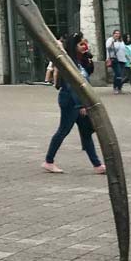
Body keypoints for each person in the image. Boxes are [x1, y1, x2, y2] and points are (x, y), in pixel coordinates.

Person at [42, 32, 106, 175]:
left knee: (86, 132)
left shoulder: (80, 61)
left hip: (80, 102)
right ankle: (48, 161)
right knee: (63, 130)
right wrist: (80, 105)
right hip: (70, 102)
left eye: (85, 43)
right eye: (81, 44)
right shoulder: (69, 63)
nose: (85, 46)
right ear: (73, 46)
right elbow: (72, 86)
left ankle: (97, 164)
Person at [105, 29, 128, 94]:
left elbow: (124, 50)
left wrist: (127, 58)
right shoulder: (110, 40)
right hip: (114, 59)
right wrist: (113, 42)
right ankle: (115, 87)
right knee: (118, 73)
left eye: (118, 33)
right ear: (113, 34)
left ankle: (119, 88)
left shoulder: (121, 41)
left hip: (122, 59)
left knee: (121, 75)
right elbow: (108, 48)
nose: (117, 35)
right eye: (116, 33)